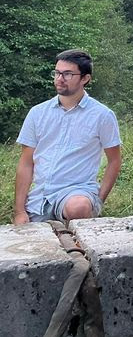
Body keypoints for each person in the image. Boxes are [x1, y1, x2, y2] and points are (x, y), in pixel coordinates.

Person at [13, 49, 122, 224]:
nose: (60, 78)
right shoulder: (37, 113)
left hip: (76, 193)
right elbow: (26, 162)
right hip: (40, 198)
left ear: (85, 78)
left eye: (68, 74)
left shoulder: (102, 115)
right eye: (57, 73)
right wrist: (19, 211)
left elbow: (114, 160)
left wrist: (98, 201)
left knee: (78, 207)